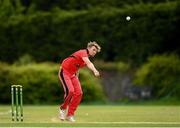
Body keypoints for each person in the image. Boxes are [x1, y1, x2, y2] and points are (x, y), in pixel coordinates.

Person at [58, 41, 101, 122]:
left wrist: (76, 78)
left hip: (72, 75)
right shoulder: (83, 52)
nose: (94, 52)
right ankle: (62, 108)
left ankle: (70, 115)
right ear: (89, 48)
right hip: (64, 72)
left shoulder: (85, 59)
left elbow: (77, 67)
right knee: (70, 91)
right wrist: (95, 71)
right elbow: (89, 63)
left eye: (96, 51)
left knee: (79, 93)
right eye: (93, 49)